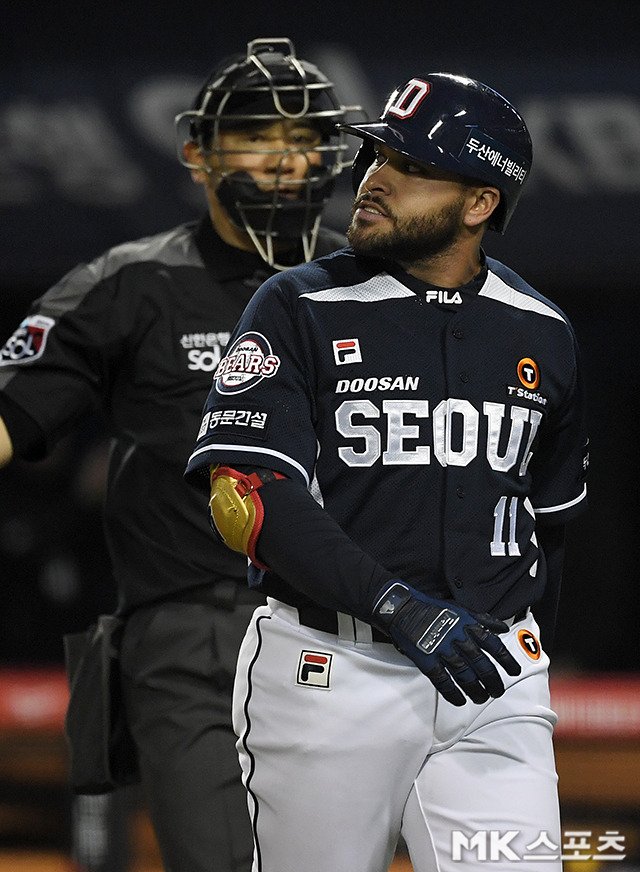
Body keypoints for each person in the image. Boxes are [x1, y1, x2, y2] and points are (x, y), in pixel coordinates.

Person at [184, 72, 590, 872]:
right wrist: (399, 606)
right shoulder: (297, 303)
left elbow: (554, 524)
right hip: (332, 673)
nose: (374, 177)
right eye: (376, 153)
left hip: (493, 681)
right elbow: (252, 499)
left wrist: (516, 633)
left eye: (409, 163)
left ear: (479, 203)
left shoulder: (545, 332)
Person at [0, 37, 353, 872]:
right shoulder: (128, 282)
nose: (284, 158)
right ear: (198, 153)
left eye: (304, 137)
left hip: (363, 634)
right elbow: (12, 411)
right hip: (195, 637)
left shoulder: (383, 282)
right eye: (258, 135)